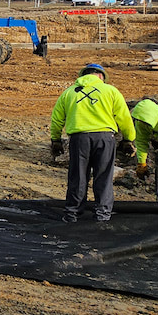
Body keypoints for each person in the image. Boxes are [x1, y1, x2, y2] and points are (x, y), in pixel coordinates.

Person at [49, 63, 136, 223]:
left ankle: (72, 214)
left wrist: (56, 140)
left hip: (79, 139)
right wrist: (128, 139)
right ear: (101, 76)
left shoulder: (69, 93)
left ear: (83, 75)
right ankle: (102, 215)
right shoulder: (110, 91)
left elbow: (56, 119)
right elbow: (124, 118)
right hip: (104, 138)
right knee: (103, 177)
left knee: (78, 177)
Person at [131, 96, 158, 202]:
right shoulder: (142, 122)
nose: (143, 124)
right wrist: (141, 163)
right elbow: (141, 142)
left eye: (145, 122)